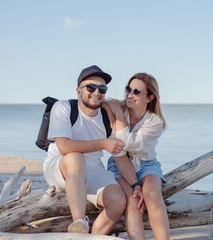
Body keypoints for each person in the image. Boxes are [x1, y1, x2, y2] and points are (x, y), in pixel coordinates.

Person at [43, 65, 126, 234]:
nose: (97, 92)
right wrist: (103, 143)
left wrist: (137, 185)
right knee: (76, 158)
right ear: (78, 90)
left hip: (93, 170)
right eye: (91, 87)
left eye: (102, 89)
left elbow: (121, 155)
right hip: (61, 167)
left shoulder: (105, 117)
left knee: (118, 201)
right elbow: (64, 147)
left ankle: (94, 237)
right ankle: (79, 224)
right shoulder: (63, 107)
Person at [105, 73, 170, 240]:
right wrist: (112, 109)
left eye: (136, 91)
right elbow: (118, 150)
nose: (129, 94)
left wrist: (118, 116)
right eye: (128, 89)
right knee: (133, 201)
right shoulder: (118, 107)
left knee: (152, 194)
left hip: (147, 164)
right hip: (119, 164)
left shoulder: (155, 122)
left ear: (150, 98)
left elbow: (126, 142)